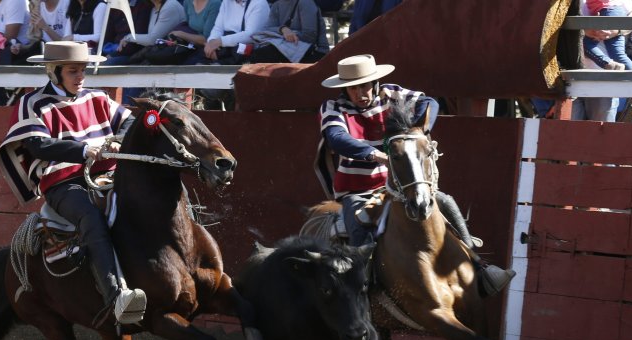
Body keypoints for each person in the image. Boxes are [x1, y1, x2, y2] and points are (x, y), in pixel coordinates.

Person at [316, 54, 516, 296]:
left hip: (402, 185)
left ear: (374, 83)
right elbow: (336, 138)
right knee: (359, 228)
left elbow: (429, 102)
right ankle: (362, 291)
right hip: (359, 190)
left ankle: (479, 266)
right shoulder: (333, 108)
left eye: (364, 86)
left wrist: (419, 131)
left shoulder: (392, 94)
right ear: (344, 89)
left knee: (445, 202)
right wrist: (373, 154)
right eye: (353, 88)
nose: (361, 93)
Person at [0, 41, 145, 325]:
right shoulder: (33, 103)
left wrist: (115, 140)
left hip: (109, 176)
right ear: (54, 72)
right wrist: (82, 150)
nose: (81, 77)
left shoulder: (98, 97)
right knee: (91, 216)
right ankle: (115, 296)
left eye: (83, 70)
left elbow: (128, 124)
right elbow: (38, 145)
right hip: (64, 184)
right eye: (73, 71)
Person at [248, 0, 328, 64]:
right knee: (255, 52)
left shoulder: (305, 2)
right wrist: (283, 29)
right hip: (288, 48)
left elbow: (310, 37)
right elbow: (268, 29)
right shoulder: (277, 5)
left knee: (264, 55)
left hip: (313, 52)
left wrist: (290, 35)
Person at [203, 0, 268, 63]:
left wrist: (220, 42)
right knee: (198, 63)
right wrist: (211, 44)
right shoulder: (226, 2)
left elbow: (251, 35)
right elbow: (218, 28)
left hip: (245, 54)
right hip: (225, 50)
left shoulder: (259, 3)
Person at [582, 0, 632, 71]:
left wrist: (617, 31)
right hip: (589, 68)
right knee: (618, 55)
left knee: (618, 55)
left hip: (608, 11)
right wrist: (587, 31)